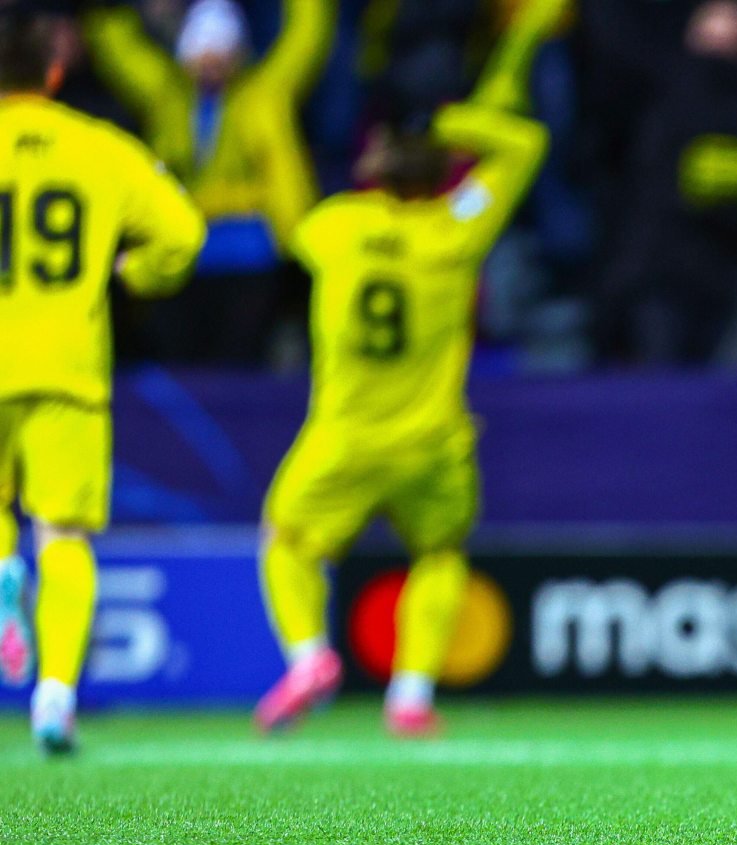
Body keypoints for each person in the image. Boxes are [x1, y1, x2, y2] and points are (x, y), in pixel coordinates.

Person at [253, 101, 546, 738]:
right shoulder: (456, 229)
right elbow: (524, 144)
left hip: (344, 437)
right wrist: (450, 122)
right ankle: (410, 697)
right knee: (438, 552)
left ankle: (308, 657)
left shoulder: (335, 226)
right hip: (433, 442)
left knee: (286, 542)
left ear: (375, 171)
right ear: (439, 175)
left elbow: (287, 216)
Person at [0, 12, 206, 754]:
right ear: (55, 72)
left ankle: (3, 573)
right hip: (66, 369)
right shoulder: (100, 147)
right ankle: (55, 700)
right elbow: (184, 234)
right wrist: (135, 272)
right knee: (63, 535)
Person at [83, 0, 332, 361]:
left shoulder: (263, 95)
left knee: (239, 362)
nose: (211, 66)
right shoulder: (167, 98)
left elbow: (304, 41)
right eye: (203, 55)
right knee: (181, 361)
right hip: (184, 253)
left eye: (221, 55)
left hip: (250, 253)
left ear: (237, 54)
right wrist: (104, 11)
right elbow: (121, 53)